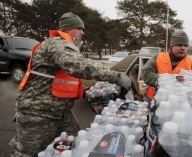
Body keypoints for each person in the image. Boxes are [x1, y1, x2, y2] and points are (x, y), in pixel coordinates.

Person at [9, 12, 131, 156]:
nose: (82, 32)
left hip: (60, 112)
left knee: (75, 143)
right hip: (39, 112)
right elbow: (77, 66)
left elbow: (62, 79)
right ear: (67, 29)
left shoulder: (66, 47)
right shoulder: (56, 43)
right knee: (27, 152)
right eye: (79, 28)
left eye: (83, 29)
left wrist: (86, 91)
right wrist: (115, 76)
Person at [142, 29, 192, 103]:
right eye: (180, 45)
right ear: (172, 46)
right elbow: (146, 73)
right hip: (153, 100)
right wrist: (166, 81)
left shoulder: (191, 63)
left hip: (177, 104)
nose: (183, 48)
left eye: (186, 45)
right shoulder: (158, 57)